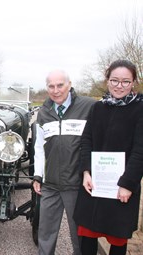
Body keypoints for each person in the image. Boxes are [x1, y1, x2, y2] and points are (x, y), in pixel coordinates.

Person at [73, 60, 143, 255]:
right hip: (95, 183)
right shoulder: (98, 108)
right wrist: (85, 172)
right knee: (87, 234)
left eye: (125, 82)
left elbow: (140, 151)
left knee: (118, 238)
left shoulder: (139, 109)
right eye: (114, 80)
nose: (119, 86)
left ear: (133, 82)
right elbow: (86, 141)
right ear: (107, 80)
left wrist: (128, 184)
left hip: (122, 187)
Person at [32, 70, 95, 255]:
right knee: (45, 233)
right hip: (50, 185)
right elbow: (39, 147)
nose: (56, 90)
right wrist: (38, 176)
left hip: (76, 185)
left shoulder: (88, 106)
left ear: (69, 84)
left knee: (79, 235)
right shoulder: (44, 112)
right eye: (51, 86)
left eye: (60, 85)